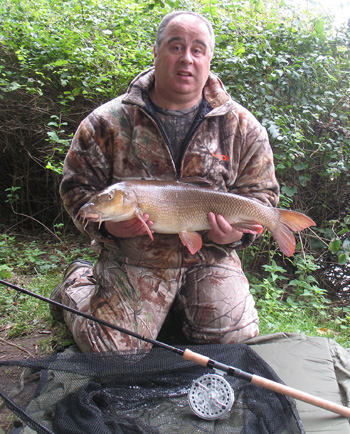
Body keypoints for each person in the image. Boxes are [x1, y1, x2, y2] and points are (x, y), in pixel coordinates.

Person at [51, 11, 279, 353]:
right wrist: (110, 230)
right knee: (112, 352)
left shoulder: (243, 127)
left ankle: (172, 312)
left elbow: (261, 195)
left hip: (210, 257)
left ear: (208, 59)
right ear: (156, 52)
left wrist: (238, 233)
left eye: (198, 49)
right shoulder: (107, 122)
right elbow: (77, 190)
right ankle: (77, 283)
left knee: (232, 342)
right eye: (176, 46)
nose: (187, 58)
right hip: (136, 257)